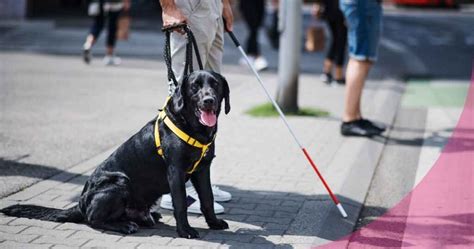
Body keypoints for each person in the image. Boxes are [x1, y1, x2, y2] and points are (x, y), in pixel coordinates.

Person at [158, 0, 234, 214]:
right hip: (187, 5)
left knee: (211, 93)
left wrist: (223, 4)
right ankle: (177, 189)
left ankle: (201, 184)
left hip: (212, 6)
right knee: (186, 97)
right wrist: (169, 7)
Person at [339, 0, 386, 137]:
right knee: (360, 58)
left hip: (363, 4)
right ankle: (350, 119)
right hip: (362, 4)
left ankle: (355, 116)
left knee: (363, 59)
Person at [82, 0, 130, 66]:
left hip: (101, 3)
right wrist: (126, 2)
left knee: (97, 25)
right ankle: (109, 56)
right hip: (114, 4)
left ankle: (88, 44)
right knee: (112, 29)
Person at [315, 0, 347, 85]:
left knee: (335, 40)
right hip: (341, 10)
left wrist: (317, 4)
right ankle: (338, 75)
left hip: (329, 8)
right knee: (340, 41)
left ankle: (327, 72)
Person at [238, 0, 268, 71]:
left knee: (256, 28)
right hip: (247, 3)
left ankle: (249, 54)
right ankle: (256, 55)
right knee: (253, 27)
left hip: (259, 3)